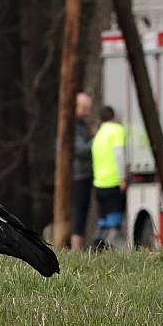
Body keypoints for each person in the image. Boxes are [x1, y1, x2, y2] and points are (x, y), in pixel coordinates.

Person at [91, 105, 127, 249]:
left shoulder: (98, 135)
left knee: (104, 221)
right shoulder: (117, 130)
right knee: (115, 222)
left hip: (99, 184)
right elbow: (119, 154)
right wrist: (122, 177)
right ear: (114, 116)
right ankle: (115, 248)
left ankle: (97, 245)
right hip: (113, 182)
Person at [71, 93, 93, 251]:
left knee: (83, 212)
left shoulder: (82, 125)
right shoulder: (74, 127)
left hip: (84, 174)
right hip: (79, 175)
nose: (88, 113)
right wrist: (96, 138)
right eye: (84, 109)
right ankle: (76, 248)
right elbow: (80, 150)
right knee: (79, 212)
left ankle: (78, 246)